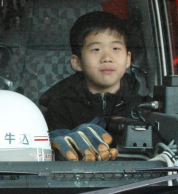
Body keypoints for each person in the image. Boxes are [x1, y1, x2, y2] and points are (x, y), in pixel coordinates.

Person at [39, 11, 146, 161]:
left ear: (128, 59)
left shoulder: (143, 107)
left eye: (115, 48)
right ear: (77, 62)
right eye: (96, 49)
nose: (107, 58)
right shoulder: (60, 107)